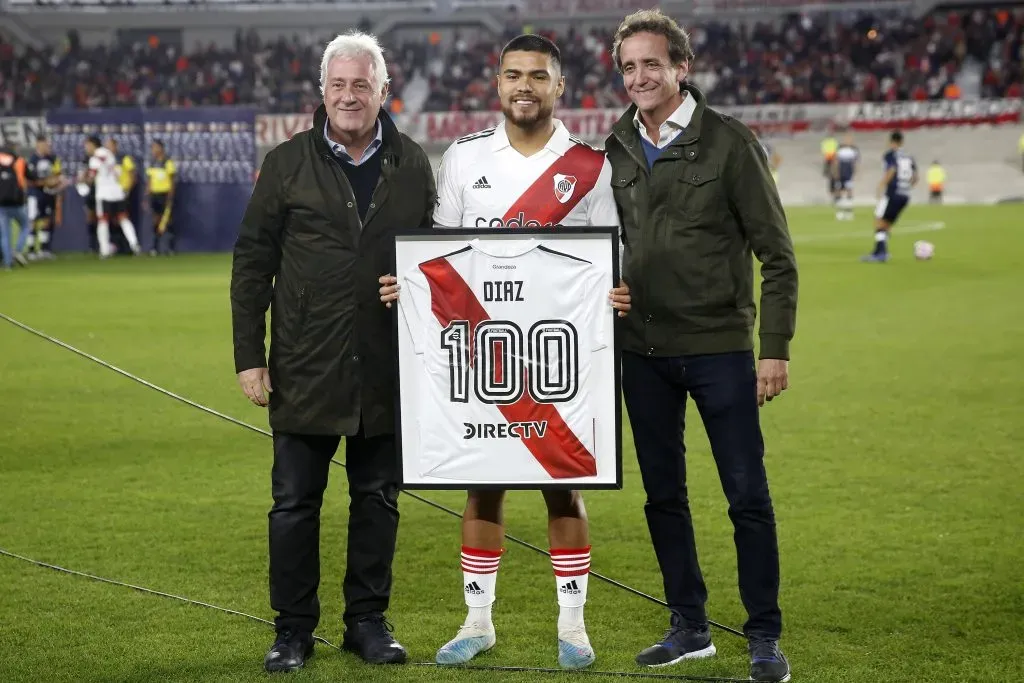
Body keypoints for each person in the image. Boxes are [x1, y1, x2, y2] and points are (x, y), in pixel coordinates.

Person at [378, 33, 630, 671]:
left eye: (538, 76)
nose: (525, 86)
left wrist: (619, 290)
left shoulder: (589, 166)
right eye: (513, 75)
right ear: (497, 83)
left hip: (555, 357)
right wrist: (405, 282)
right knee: (481, 485)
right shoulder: (463, 159)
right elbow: (439, 252)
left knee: (564, 485)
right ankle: (477, 622)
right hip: (482, 351)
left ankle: (573, 627)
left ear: (559, 86)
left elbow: (612, 256)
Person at [230, 31, 436, 674]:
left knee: (377, 499)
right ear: (322, 92)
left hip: (386, 363)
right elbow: (252, 263)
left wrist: (418, 281)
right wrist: (249, 355)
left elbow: (439, 260)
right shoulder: (286, 161)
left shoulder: (414, 163)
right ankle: (291, 629)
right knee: (295, 504)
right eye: (338, 84)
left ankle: (366, 623)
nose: (350, 96)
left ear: (384, 90)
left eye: (362, 84)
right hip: (304, 362)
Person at [603, 10, 797, 682]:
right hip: (641, 353)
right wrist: (607, 287)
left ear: (681, 67)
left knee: (746, 493)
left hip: (720, 348)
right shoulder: (616, 146)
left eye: (651, 64)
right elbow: (601, 246)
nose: (639, 77)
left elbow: (778, 255)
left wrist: (774, 349)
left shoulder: (729, 143)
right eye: (628, 67)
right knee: (663, 495)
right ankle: (689, 624)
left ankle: (764, 634)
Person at [862, 130, 917, 263]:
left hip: (893, 193)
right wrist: (907, 187)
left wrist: (881, 185)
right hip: (905, 195)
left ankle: (881, 253)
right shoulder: (909, 157)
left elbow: (892, 170)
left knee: (879, 220)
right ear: (902, 142)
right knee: (886, 223)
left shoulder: (891, 155)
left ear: (891, 142)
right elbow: (915, 177)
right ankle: (879, 250)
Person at [85, 136, 140, 257]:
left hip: (104, 193)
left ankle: (104, 250)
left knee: (103, 220)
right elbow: (116, 171)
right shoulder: (110, 155)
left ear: (93, 145)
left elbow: (92, 175)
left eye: (87, 145)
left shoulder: (95, 157)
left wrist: (84, 180)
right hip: (117, 191)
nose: (86, 148)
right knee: (123, 218)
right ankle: (134, 244)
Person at [24, 136, 64, 259]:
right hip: (34, 194)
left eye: (48, 145)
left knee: (46, 220)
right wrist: (45, 182)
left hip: (48, 194)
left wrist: (55, 182)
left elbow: (58, 175)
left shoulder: (53, 158)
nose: (47, 147)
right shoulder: (32, 159)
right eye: (44, 145)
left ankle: (44, 249)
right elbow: (28, 179)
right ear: (38, 145)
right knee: (33, 220)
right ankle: (31, 250)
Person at [0, 143, 30, 269]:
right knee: (26, 225)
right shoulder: (19, 161)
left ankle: (8, 263)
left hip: (1, 204)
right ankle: (17, 250)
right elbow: (31, 176)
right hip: (17, 202)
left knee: (5, 234)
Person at [145, 139, 177, 255]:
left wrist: (170, 196)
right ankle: (155, 247)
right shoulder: (152, 163)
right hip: (155, 195)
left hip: (165, 194)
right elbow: (149, 181)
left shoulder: (168, 162)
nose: (153, 150)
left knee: (168, 221)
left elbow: (173, 180)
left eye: (155, 147)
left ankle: (170, 248)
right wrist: (146, 197)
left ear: (161, 148)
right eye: (152, 148)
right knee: (156, 221)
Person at [832, 132, 859, 221]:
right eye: (847, 139)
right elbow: (836, 162)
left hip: (849, 174)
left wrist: (855, 173)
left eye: (850, 139)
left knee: (849, 191)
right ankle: (839, 211)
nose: (848, 141)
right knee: (839, 191)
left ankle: (848, 211)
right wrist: (836, 173)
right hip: (840, 174)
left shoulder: (854, 150)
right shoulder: (840, 149)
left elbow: (855, 163)